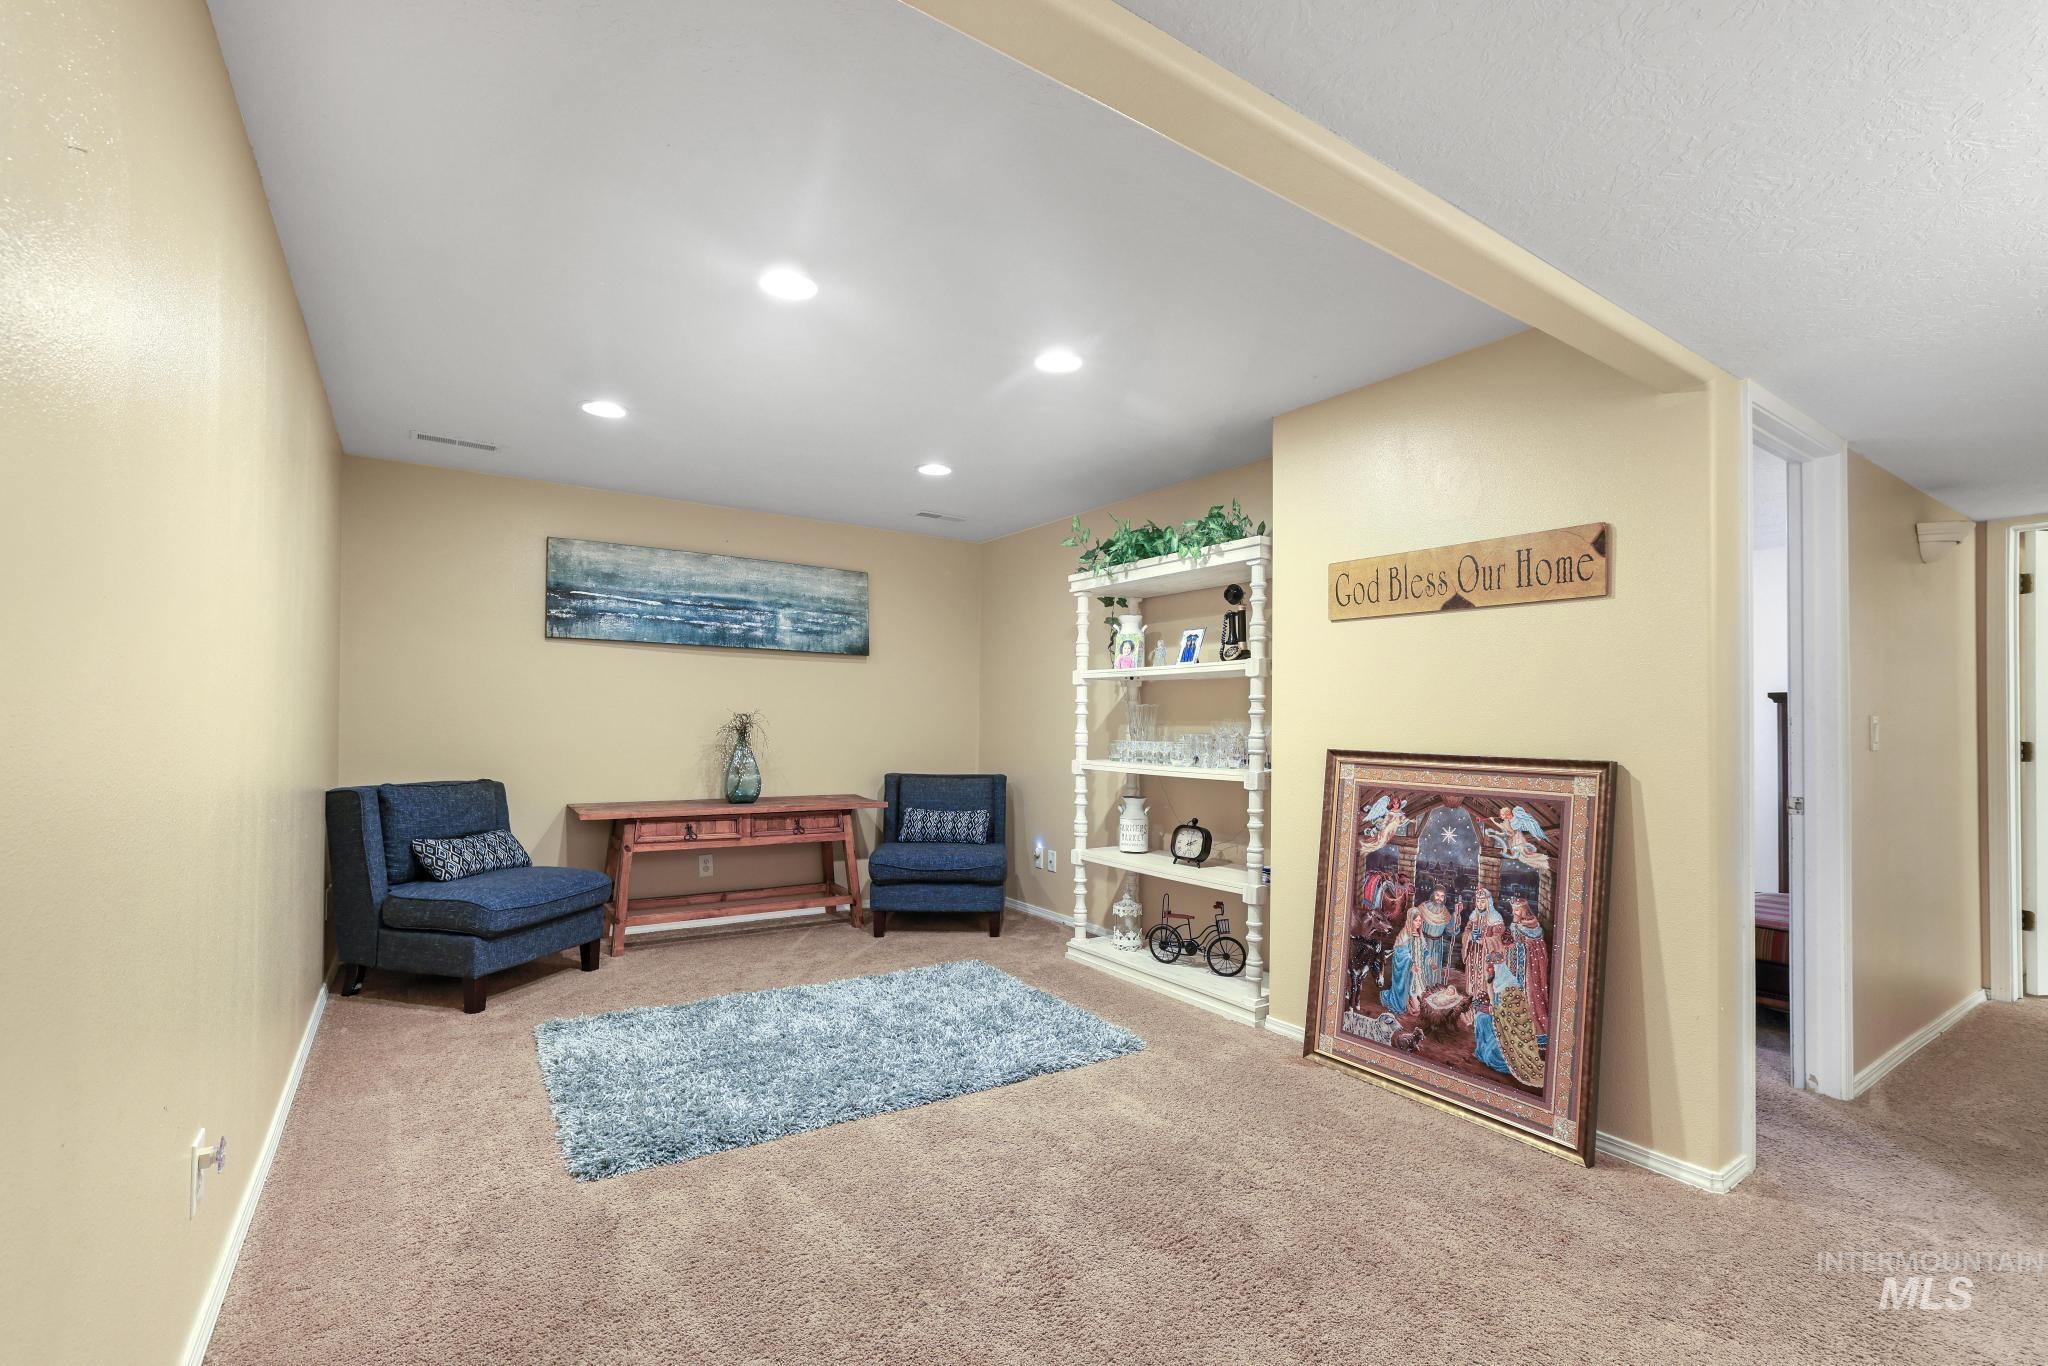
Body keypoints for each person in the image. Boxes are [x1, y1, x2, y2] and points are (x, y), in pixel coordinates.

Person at [1379, 906, 1422, 1014]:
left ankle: (1410, 1001)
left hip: (1409, 964)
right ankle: (1394, 1002)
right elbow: (1400, 951)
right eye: (1416, 920)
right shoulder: (1406, 933)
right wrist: (1411, 963)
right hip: (1401, 964)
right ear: (1410, 920)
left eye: (1420, 920)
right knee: (1401, 987)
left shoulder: (1416, 932)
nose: (1418, 923)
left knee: (1409, 985)